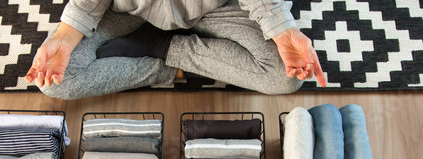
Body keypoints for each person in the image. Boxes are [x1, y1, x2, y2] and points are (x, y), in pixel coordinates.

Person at [25, 0, 327, 100]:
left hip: (214, 7)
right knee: (55, 81)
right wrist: (65, 37)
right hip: (131, 9)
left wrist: (282, 30)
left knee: (285, 78)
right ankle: (166, 57)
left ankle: (158, 44)